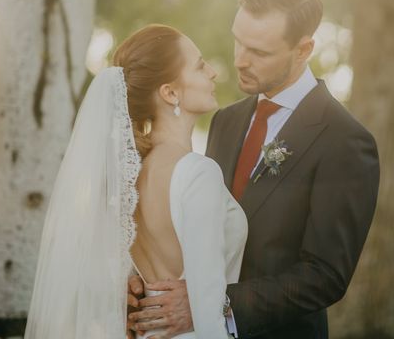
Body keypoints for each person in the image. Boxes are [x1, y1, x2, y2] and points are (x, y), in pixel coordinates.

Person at [127, 0, 380, 339]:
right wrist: (144, 284)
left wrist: (211, 302)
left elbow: (326, 275)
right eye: (238, 41)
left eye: (259, 52)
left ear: (303, 50)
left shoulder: (345, 142)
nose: (240, 61)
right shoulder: (225, 121)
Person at [24, 25, 247, 339]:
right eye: (199, 66)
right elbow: (208, 310)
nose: (212, 72)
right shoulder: (199, 173)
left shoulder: (126, 176)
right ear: (170, 92)